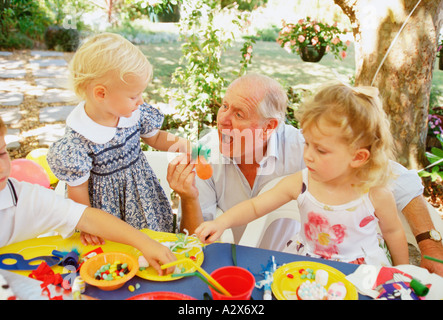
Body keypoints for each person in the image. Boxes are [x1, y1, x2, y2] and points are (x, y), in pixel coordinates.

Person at [167, 73, 443, 275]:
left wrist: (426, 247)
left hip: (352, 271)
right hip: (276, 268)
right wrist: (191, 200)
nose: (223, 120)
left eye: (239, 114)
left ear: (269, 127)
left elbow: (400, 183)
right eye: (224, 106)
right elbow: (198, 235)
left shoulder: (316, 148)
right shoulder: (206, 151)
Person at [47, 33, 190, 244]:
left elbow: (156, 138)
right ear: (101, 94)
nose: (140, 100)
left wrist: (183, 144)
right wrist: (87, 223)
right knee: (116, 252)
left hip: (143, 198)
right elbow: (78, 190)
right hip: (106, 211)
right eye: (133, 96)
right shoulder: (79, 140)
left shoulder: (132, 113)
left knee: (152, 240)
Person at [0, 116, 176, 275]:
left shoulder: (25, 196)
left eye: (2, 153)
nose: (1, 167)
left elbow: (86, 217)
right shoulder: (76, 141)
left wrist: (146, 243)